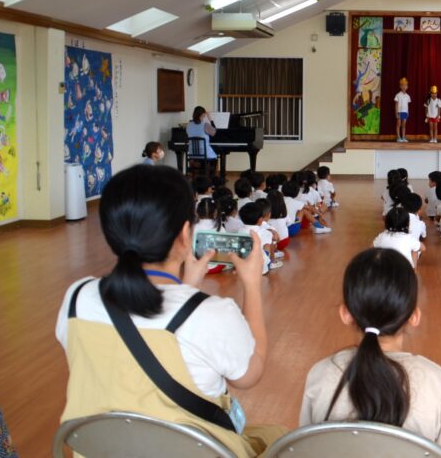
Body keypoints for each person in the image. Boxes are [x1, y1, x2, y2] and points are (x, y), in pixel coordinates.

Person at [56, 165, 282, 456]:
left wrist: (186, 286)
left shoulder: (76, 298)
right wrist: (251, 285)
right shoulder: (210, 314)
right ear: (185, 234)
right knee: (280, 438)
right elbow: (251, 374)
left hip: (102, 450)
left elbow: (129, 359)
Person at [299, 249, 441, 457]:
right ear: (414, 317)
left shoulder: (320, 374)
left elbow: (304, 449)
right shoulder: (436, 381)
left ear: (345, 314)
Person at [395, 77, 412, 143]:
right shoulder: (398, 95)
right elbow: (396, 104)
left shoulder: (408, 96)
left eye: (405, 85)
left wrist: (408, 112)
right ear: (400, 86)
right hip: (399, 112)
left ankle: (403, 137)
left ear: (407, 86)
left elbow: (407, 105)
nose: (404, 86)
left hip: (405, 112)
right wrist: (396, 113)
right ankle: (398, 137)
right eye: (402, 85)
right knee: (398, 124)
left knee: (404, 125)